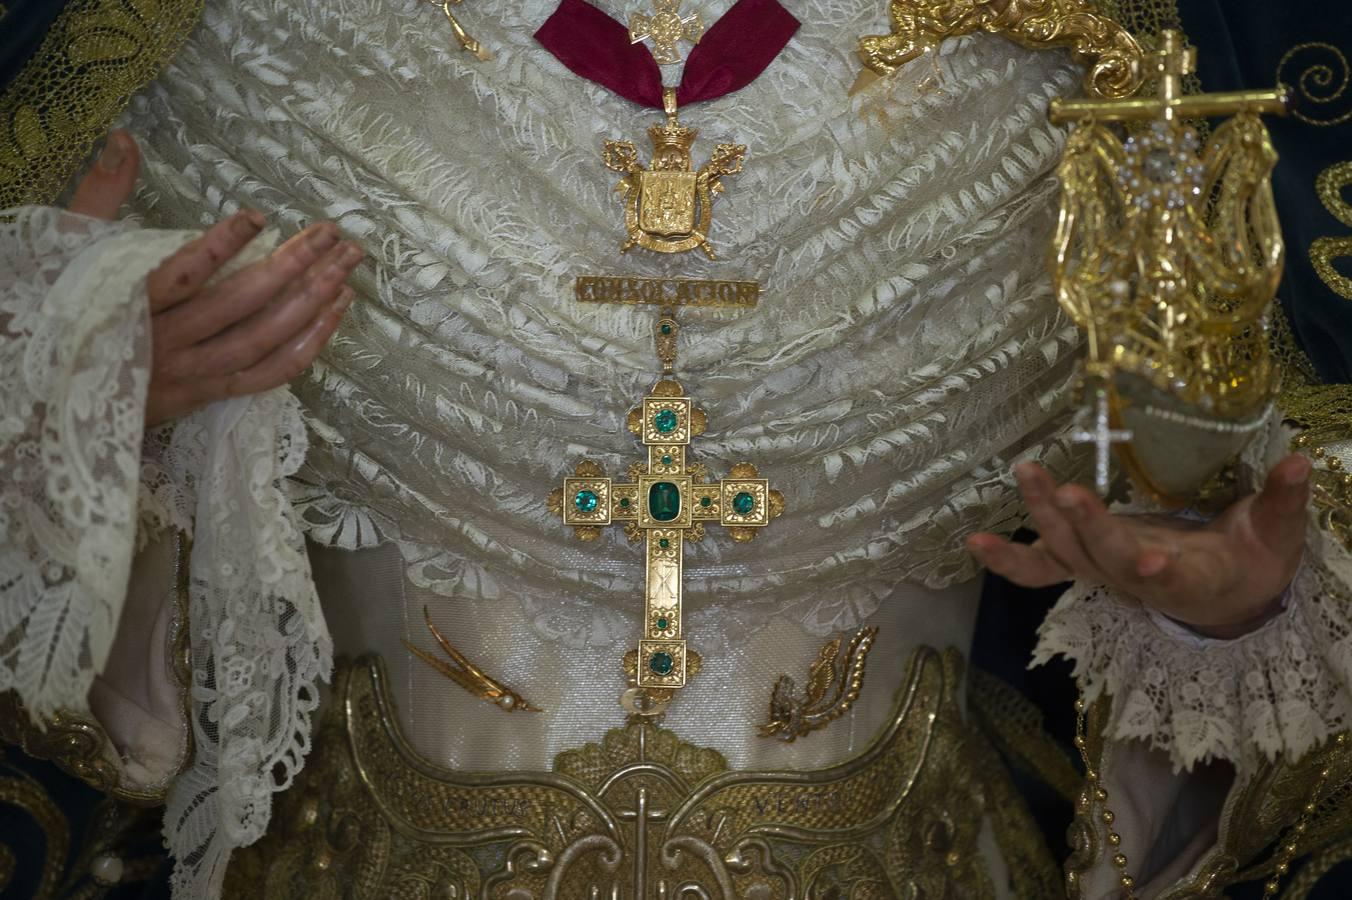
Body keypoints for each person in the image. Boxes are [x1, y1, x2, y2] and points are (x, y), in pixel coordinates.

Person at [1, 0, 1347, 897]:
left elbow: (1244, 492)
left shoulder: (1091, 57)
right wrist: (85, 393)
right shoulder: (220, 48)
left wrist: (1228, 616)